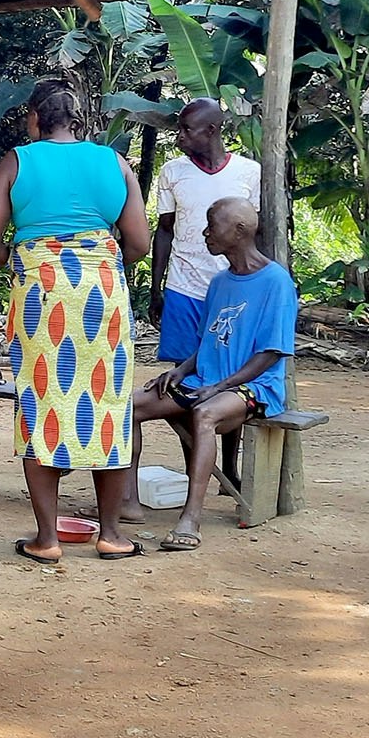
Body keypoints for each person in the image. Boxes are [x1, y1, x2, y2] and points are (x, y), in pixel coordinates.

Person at [0, 78, 150, 563]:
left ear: (33, 118)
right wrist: (93, 263)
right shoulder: (115, 163)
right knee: (108, 405)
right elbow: (138, 243)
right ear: (78, 120)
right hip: (103, 295)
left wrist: (29, 258)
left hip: (42, 294)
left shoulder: (18, 161)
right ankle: (111, 534)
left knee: (42, 403)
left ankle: (47, 539)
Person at [129, 197, 297, 552]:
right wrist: (180, 370)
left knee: (205, 414)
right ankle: (127, 502)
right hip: (205, 380)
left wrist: (219, 386)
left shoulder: (276, 282)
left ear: (239, 231)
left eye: (212, 224)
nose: (206, 232)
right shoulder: (220, 282)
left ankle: (191, 518)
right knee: (128, 407)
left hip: (255, 387)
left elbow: (270, 354)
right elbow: (208, 341)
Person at [150, 99, 261, 364]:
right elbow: (164, 231)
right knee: (182, 371)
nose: (180, 138)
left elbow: (256, 233)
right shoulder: (172, 172)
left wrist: (259, 284)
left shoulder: (248, 172)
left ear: (211, 130)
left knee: (227, 364)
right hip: (183, 286)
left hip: (233, 288)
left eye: (187, 130)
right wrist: (157, 288)